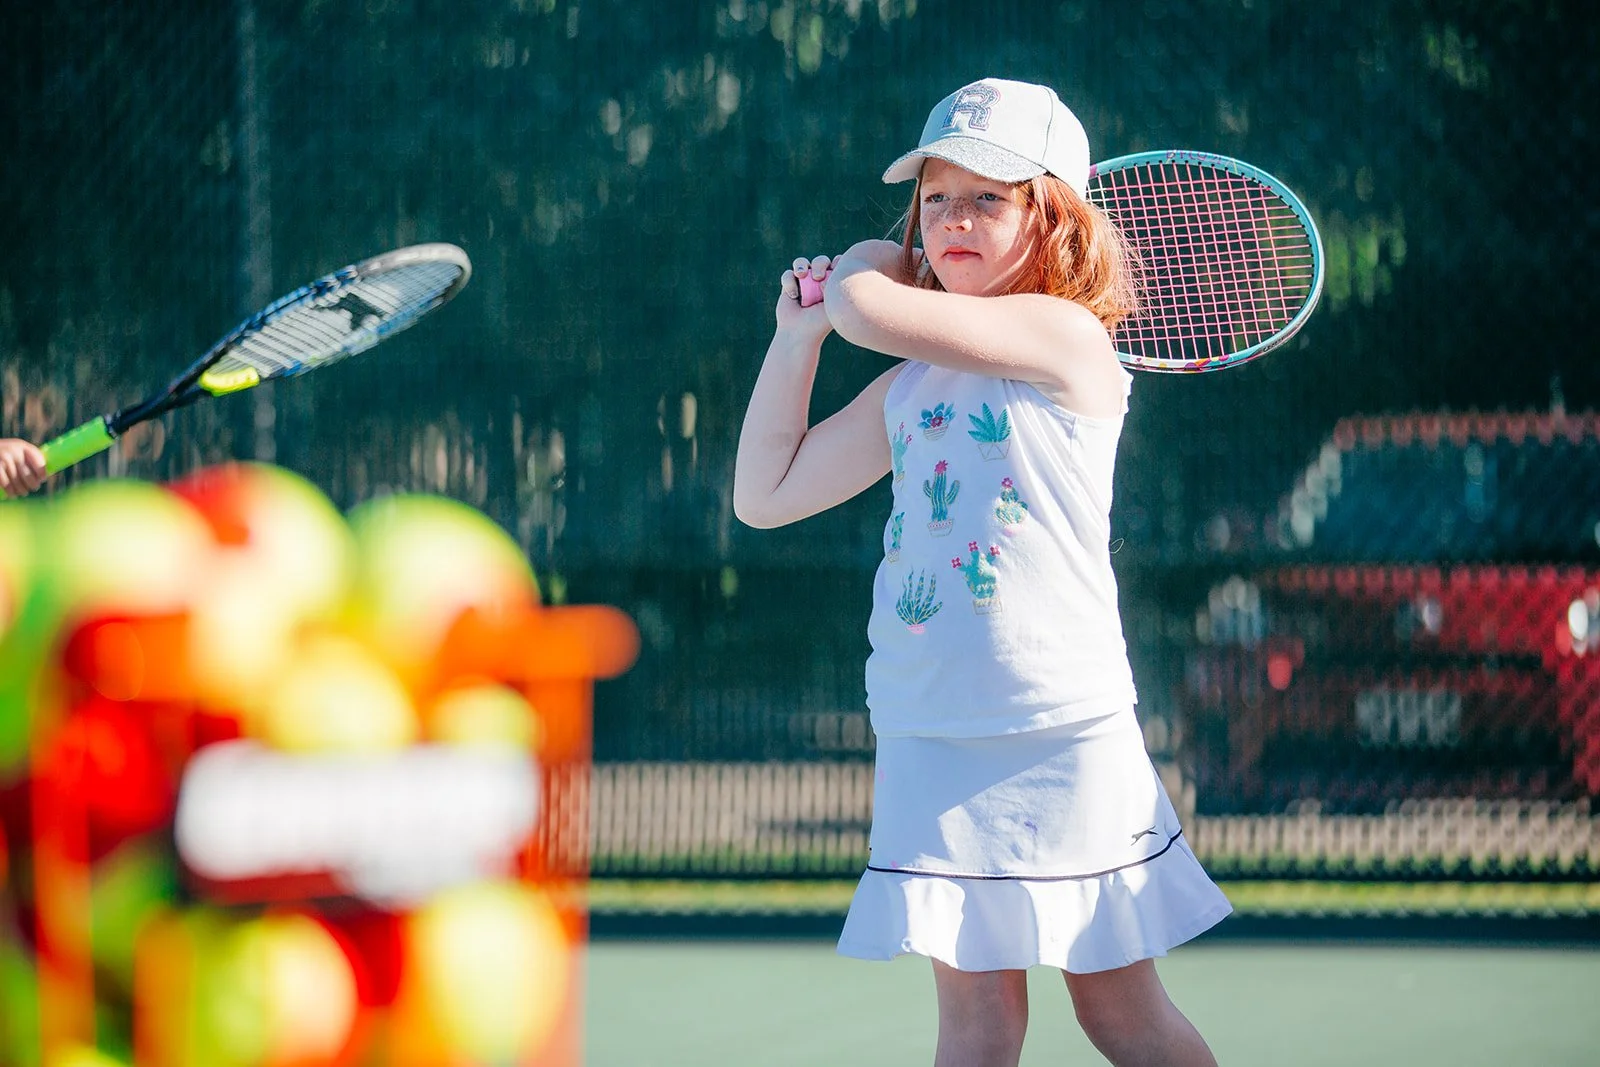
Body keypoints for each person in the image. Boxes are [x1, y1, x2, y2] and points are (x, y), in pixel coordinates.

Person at [733, 77, 1231, 1066]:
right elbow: (766, 490)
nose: (952, 218)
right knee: (975, 1023)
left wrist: (863, 271)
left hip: (1058, 727)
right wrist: (796, 338)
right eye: (934, 198)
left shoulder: (1067, 340)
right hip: (930, 727)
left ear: (1055, 220)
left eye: (988, 197)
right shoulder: (907, 385)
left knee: (1118, 1015)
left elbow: (872, 305)